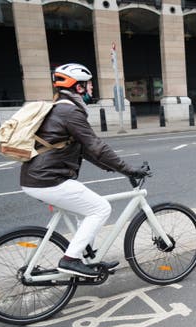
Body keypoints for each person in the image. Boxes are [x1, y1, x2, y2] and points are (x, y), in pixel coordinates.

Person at [20, 63, 148, 278]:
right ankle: (70, 260)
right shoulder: (69, 111)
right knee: (100, 209)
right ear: (77, 87)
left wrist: (115, 169)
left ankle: (86, 259)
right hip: (49, 179)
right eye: (88, 84)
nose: (91, 88)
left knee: (84, 213)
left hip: (39, 178)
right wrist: (129, 169)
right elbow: (96, 146)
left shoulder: (61, 107)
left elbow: (85, 150)